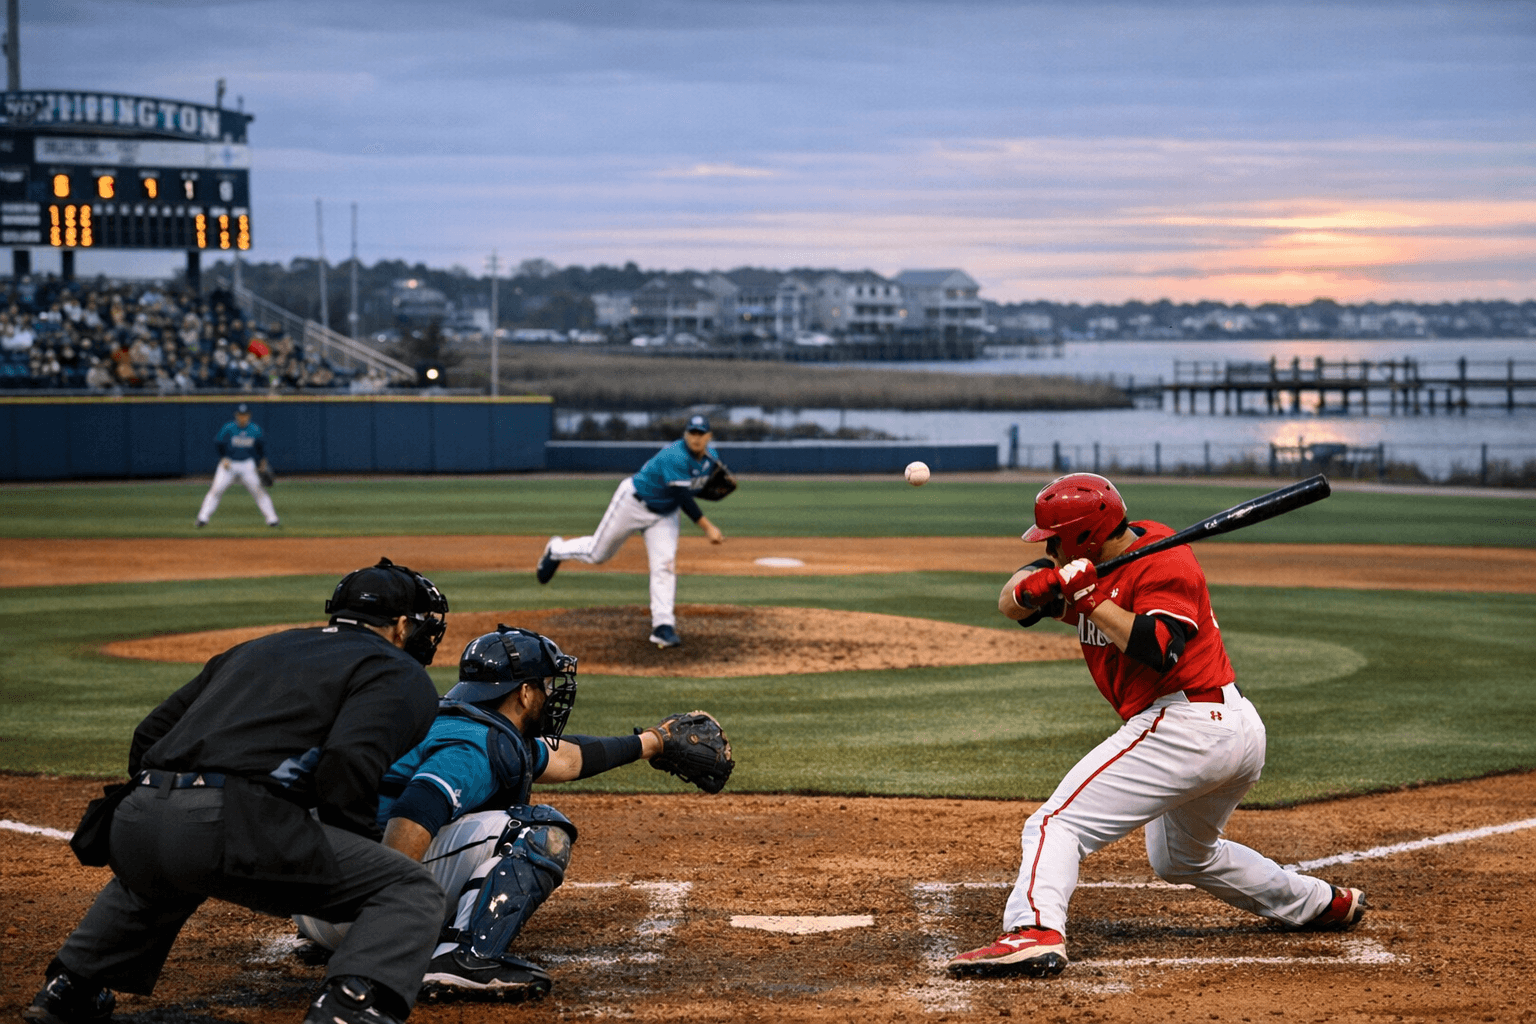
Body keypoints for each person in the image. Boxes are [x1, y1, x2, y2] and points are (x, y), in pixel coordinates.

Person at [948, 473, 1366, 979]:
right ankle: (1319, 902)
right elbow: (1011, 600)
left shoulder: (1167, 561)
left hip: (1187, 724)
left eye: (1054, 541)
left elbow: (1158, 646)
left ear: (1084, 535)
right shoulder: (1087, 563)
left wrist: (1088, 601)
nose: (1048, 549)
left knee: (1056, 824)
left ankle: (1034, 930)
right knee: (1182, 858)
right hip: (1220, 729)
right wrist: (1039, 586)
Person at [25, 558, 453, 1024]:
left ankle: (68, 989)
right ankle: (350, 1011)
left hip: (134, 823)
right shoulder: (398, 670)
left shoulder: (258, 647)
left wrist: (166, 806)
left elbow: (150, 734)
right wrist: (349, 847)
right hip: (231, 826)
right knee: (407, 887)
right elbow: (348, 761)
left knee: (167, 870)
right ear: (403, 625)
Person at [293, 625, 733, 1003]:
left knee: (481, 824)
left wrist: (651, 742)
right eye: (543, 685)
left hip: (318, 905)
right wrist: (381, 923)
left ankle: (353, 934)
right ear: (524, 693)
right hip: (362, 911)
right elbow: (415, 809)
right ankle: (466, 960)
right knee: (537, 830)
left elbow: (566, 759)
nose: (548, 694)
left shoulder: (458, 722)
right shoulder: (474, 745)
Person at [535, 413, 726, 648]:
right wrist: (707, 527)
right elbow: (683, 497)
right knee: (598, 554)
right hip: (633, 503)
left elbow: (696, 487)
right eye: (692, 433)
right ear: (686, 434)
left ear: (709, 436)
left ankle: (663, 626)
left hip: (664, 515)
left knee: (664, 566)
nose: (696, 438)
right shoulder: (675, 456)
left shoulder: (711, 458)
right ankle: (556, 549)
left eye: (701, 434)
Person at [195, 402, 280, 528]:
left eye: (245, 415)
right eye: (240, 415)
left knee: (259, 491)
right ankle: (202, 519)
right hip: (229, 465)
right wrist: (223, 458)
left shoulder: (255, 429)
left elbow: (260, 449)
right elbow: (218, 444)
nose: (242, 417)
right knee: (216, 490)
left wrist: (262, 463)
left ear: (249, 416)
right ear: (236, 415)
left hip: (247, 465)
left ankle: (272, 520)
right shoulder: (228, 428)